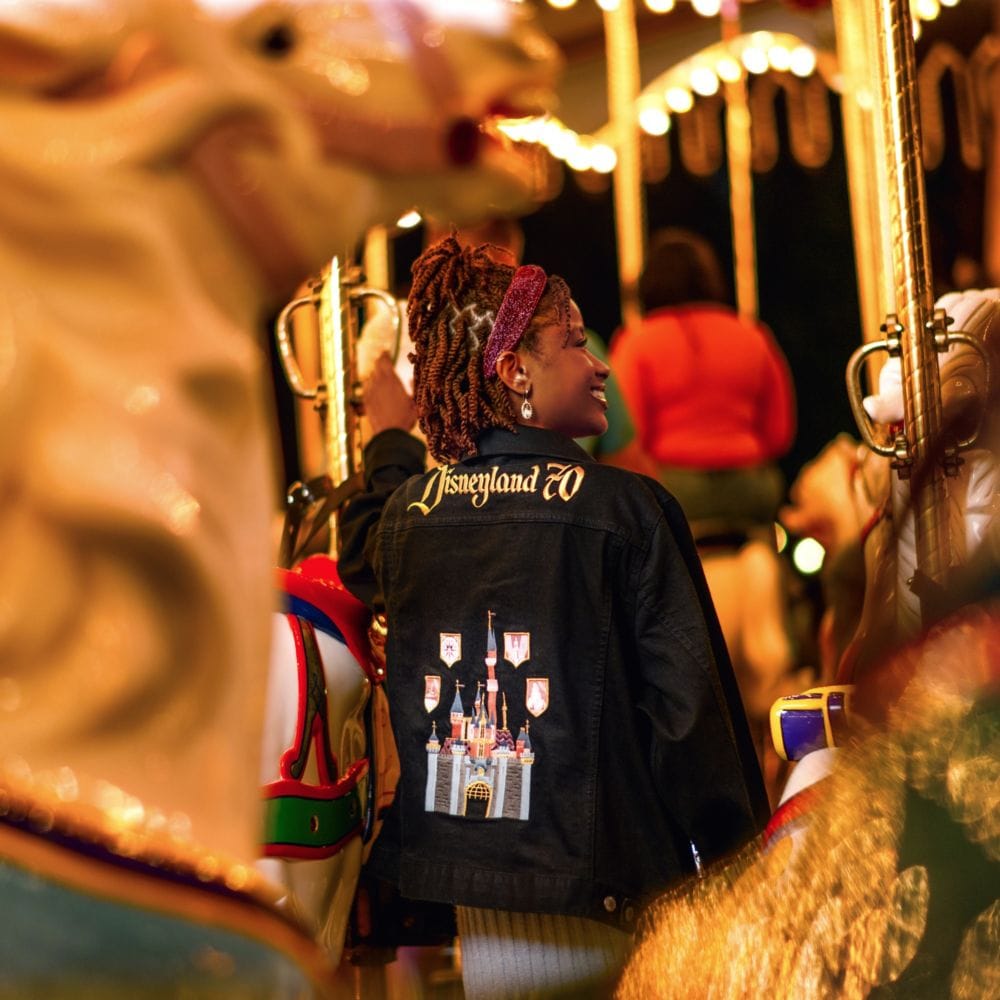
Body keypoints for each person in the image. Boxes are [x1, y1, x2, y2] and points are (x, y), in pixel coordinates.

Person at [338, 235, 769, 999]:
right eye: (574, 342)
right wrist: (739, 869)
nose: (600, 364)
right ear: (515, 371)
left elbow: (361, 554)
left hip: (474, 896)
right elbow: (690, 720)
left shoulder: (409, 518)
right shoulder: (627, 511)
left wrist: (389, 444)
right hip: (612, 903)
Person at [609, 227, 795, 535]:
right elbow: (779, 434)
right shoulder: (753, 336)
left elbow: (629, 435)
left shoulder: (637, 342)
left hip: (674, 489)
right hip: (749, 489)